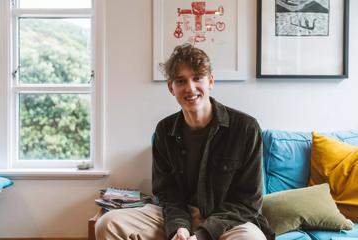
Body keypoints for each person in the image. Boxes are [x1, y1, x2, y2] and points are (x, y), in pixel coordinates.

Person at [95, 43, 275, 240]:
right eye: (181, 81)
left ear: (211, 82)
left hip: (229, 222)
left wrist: (202, 234)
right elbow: (167, 193)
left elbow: (247, 202)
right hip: (179, 216)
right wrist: (179, 228)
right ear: (171, 87)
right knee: (108, 223)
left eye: (197, 78)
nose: (190, 88)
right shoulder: (164, 130)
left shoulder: (246, 128)